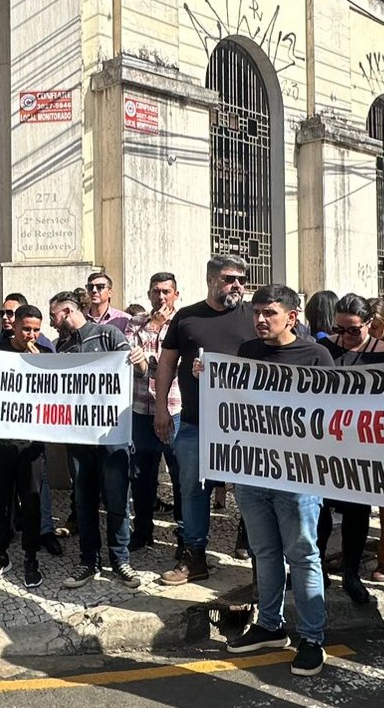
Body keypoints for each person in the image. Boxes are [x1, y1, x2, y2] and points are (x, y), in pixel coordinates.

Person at [223, 285, 335, 676]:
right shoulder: (248, 352)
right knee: (264, 552)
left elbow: (329, 415)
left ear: (292, 316)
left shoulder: (316, 356)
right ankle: (269, 625)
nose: (260, 319)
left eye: (269, 312)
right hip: (253, 470)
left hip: (299, 475)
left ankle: (312, 637)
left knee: (302, 555)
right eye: (256, 312)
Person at [154, 255, 258, 585]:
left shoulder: (255, 316)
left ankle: (260, 560)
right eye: (230, 279)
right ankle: (194, 557)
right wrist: (160, 408)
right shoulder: (186, 318)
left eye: (242, 279)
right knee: (192, 491)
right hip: (196, 422)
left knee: (250, 493)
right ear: (211, 280)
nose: (238, 285)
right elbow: (167, 363)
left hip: (245, 425)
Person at [47, 292, 140, 589]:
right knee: (84, 502)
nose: (52, 322)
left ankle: (120, 560)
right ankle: (89, 562)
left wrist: (138, 360)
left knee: (117, 501)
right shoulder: (62, 347)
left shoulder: (108, 333)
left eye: (54, 316)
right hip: (79, 440)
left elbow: (136, 370)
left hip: (113, 437)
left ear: (68, 311)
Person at [316, 293, 384, 605]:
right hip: (325, 442)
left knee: (357, 511)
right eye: (339, 329)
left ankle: (351, 573)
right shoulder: (323, 349)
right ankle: (319, 566)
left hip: (363, 445)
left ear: (370, 325)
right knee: (320, 509)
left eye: (353, 330)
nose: (345, 336)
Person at [0, 305, 51, 588]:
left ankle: (31, 557)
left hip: (31, 442)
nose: (31, 334)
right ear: (15, 326)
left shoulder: (44, 354)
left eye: (36, 329)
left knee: (31, 501)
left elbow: (53, 394)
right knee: (2, 503)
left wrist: (39, 368)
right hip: (1, 439)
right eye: (26, 329)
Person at [126, 272, 183, 552]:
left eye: (166, 291)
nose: (161, 297)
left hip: (174, 409)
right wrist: (153, 326)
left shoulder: (183, 323)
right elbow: (128, 354)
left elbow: (171, 366)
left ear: (176, 294)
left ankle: (185, 534)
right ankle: (143, 530)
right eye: (155, 291)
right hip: (140, 408)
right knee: (141, 475)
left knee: (180, 474)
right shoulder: (136, 322)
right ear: (149, 294)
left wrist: (148, 360)